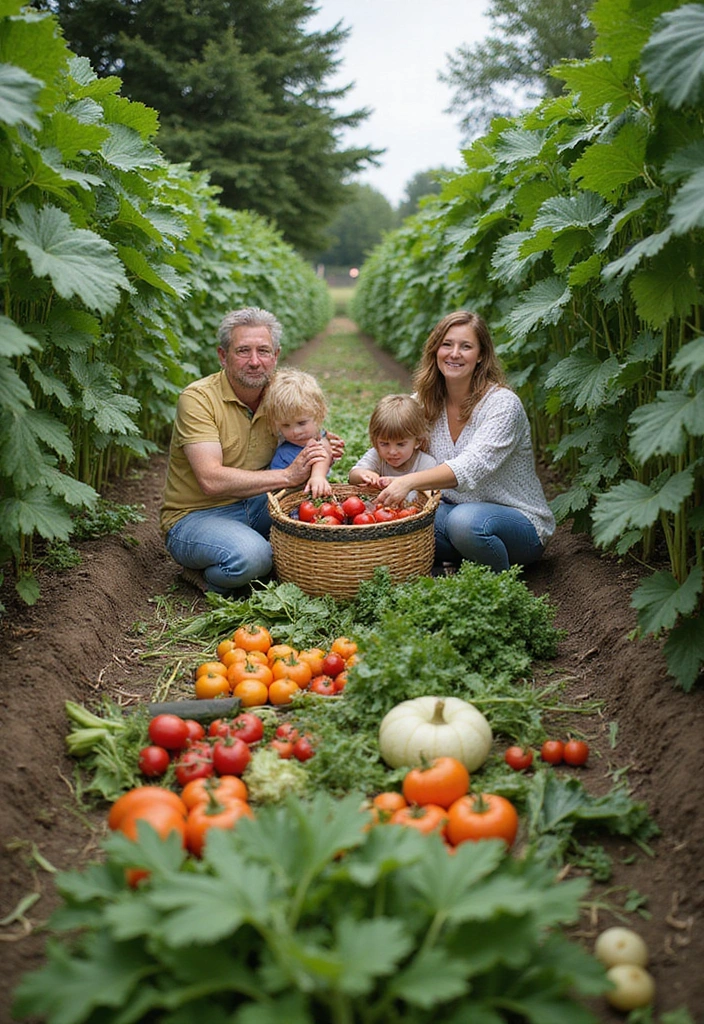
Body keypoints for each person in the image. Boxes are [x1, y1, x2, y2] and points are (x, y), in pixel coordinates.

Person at [159, 307, 333, 594]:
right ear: (222, 356)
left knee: (319, 525)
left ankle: (263, 552)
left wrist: (322, 448)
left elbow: (316, 432)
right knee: (253, 558)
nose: (255, 361)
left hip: (255, 503)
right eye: (243, 351)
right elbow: (211, 480)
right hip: (197, 515)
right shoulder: (198, 400)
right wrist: (288, 476)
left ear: (276, 356)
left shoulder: (279, 396)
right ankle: (205, 578)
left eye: (263, 351)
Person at [376, 310, 555, 572]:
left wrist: (408, 481)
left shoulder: (502, 405)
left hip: (518, 523)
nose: (454, 353)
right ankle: (459, 565)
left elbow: (471, 467)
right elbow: (393, 438)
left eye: (466, 346)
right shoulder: (425, 403)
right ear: (435, 350)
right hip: (454, 514)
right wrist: (326, 449)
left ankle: (497, 582)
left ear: (481, 355)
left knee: (464, 522)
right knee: (406, 521)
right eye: (446, 344)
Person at [260, 367, 334, 498]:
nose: (295, 432)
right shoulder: (283, 451)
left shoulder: (319, 438)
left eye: (302, 423)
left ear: (319, 414)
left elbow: (322, 453)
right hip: (290, 500)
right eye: (285, 425)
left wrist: (318, 477)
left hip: (317, 497)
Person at [348, 394, 436, 495]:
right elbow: (353, 476)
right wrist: (364, 474)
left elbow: (431, 494)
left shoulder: (425, 463)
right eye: (384, 444)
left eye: (401, 444)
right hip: (382, 508)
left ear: (417, 441)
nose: (392, 451)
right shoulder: (377, 456)